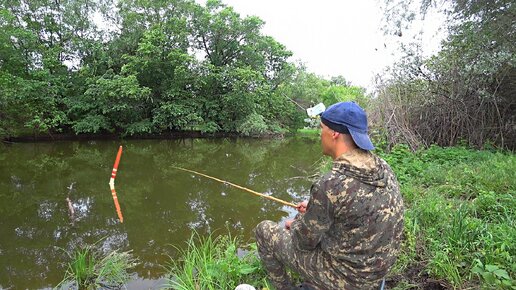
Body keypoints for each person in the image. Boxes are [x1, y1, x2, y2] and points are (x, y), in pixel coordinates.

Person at [254, 101, 404, 290]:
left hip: (348, 282)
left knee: (264, 231)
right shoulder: (383, 168)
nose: (320, 134)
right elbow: (354, 210)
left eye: (321, 128)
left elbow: (302, 243)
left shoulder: (331, 184)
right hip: (376, 275)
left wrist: (299, 222)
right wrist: (312, 210)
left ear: (334, 134)